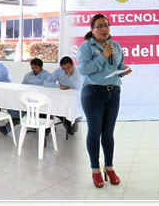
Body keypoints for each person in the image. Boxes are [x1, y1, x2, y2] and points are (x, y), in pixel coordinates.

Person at [77, 14, 132, 188]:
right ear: (92, 29)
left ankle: (109, 167)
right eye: (99, 26)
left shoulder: (115, 45)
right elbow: (84, 70)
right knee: (94, 132)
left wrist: (124, 71)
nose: (104, 29)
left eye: (106, 25)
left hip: (113, 93)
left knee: (108, 133)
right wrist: (102, 56)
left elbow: (118, 67)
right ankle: (95, 170)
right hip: (93, 94)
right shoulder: (86, 47)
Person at [44, 56, 84, 135]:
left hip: (75, 101)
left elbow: (80, 87)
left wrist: (70, 77)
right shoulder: (58, 71)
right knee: (48, 107)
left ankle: (71, 121)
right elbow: (46, 82)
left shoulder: (80, 71)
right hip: (61, 100)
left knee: (72, 131)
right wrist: (58, 86)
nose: (66, 71)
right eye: (64, 69)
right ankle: (50, 126)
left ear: (72, 64)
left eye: (68, 68)